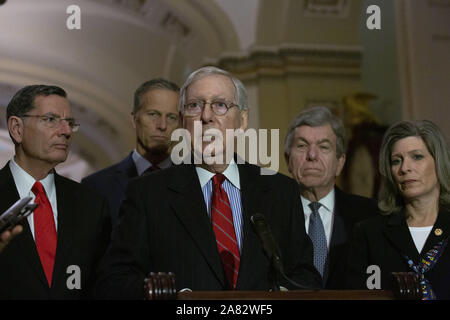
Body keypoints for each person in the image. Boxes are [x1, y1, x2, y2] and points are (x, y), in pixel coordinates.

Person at [94, 66, 321, 298]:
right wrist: (167, 295)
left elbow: (305, 276)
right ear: (183, 122)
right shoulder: (147, 193)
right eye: (195, 106)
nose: (206, 116)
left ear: (242, 121)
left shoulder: (279, 191)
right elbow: (113, 280)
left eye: (220, 105)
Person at [0, 85, 111, 299]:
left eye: (69, 123)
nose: (66, 131)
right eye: (50, 119)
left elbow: (103, 285)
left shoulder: (92, 205)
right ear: (17, 128)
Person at [346, 120, 450, 299]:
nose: (405, 168)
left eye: (416, 157)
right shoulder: (369, 233)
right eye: (396, 161)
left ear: (438, 161)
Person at [284, 106, 378, 289]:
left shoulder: (371, 216)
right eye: (302, 145)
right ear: (288, 159)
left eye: (323, 147)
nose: (312, 155)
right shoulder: (269, 217)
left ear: (340, 163)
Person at [82, 79, 180, 227]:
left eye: (172, 117)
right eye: (153, 114)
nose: (162, 125)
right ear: (134, 119)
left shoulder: (196, 185)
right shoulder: (97, 187)